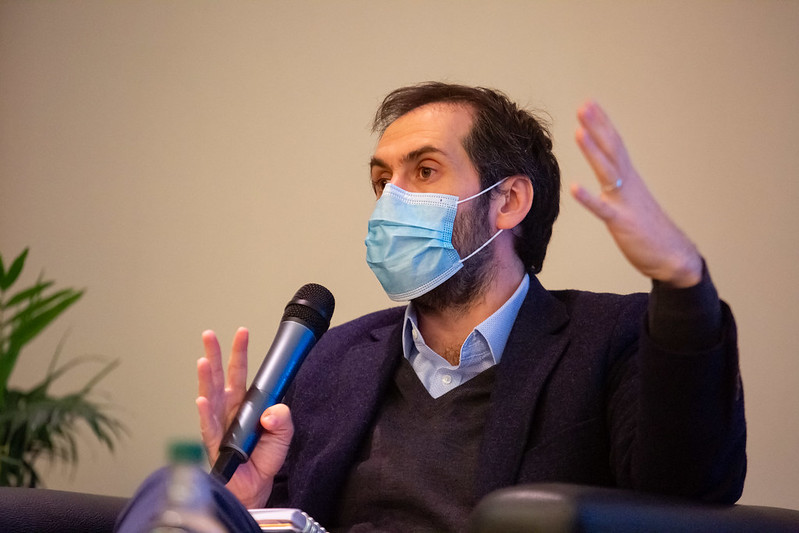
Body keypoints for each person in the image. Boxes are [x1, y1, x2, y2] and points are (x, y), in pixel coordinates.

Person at [194, 82, 746, 532]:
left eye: (424, 171)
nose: (391, 201)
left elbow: (687, 491)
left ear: (508, 201)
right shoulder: (332, 357)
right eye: (382, 181)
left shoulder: (608, 337)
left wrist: (681, 279)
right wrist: (248, 508)